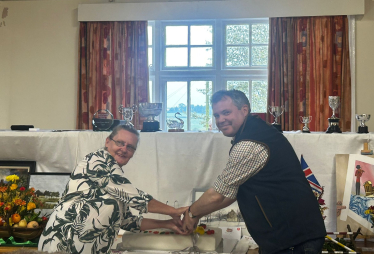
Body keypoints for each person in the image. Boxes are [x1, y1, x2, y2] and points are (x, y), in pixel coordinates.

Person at [182, 90, 326, 254]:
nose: (220, 120)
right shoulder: (255, 131)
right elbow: (230, 193)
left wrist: (191, 212)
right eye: (216, 115)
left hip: (294, 240)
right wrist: (196, 214)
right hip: (290, 237)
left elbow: (218, 194)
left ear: (244, 110)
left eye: (226, 112)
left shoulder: (248, 143)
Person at [39, 125, 188, 254]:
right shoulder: (98, 160)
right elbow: (135, 198)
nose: (124, 149)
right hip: (63, 245)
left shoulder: (116, 183)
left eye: (130, 147)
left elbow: (129, 222)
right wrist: (174, 211)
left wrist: (168, 224)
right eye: (120, 143)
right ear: (108, 142)